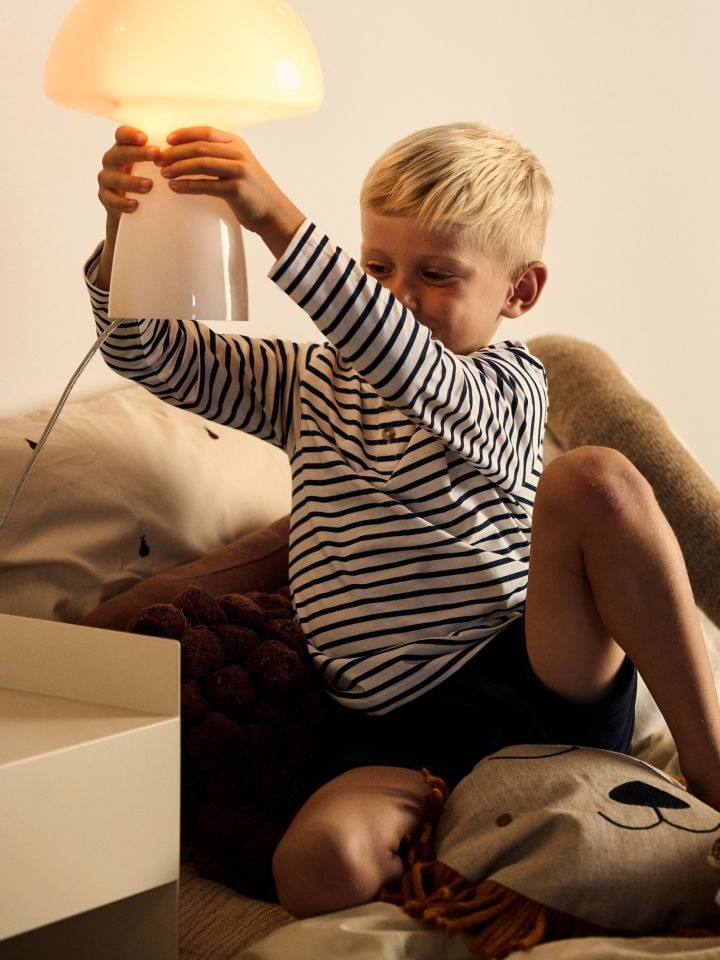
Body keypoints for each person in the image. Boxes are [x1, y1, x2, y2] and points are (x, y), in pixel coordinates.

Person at [89, 121, 720, 917]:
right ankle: (464, 883)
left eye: (436, 273)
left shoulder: (507, 385)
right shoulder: (309, 383)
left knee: (595, 479)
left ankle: (712, 767)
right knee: (315, 866)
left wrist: (277, 220)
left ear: (519, 292)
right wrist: (127, 222)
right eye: (377, 266)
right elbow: (144, 350)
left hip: (535, 673)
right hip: (394, 728)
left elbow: (413, 371)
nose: (396, 294)